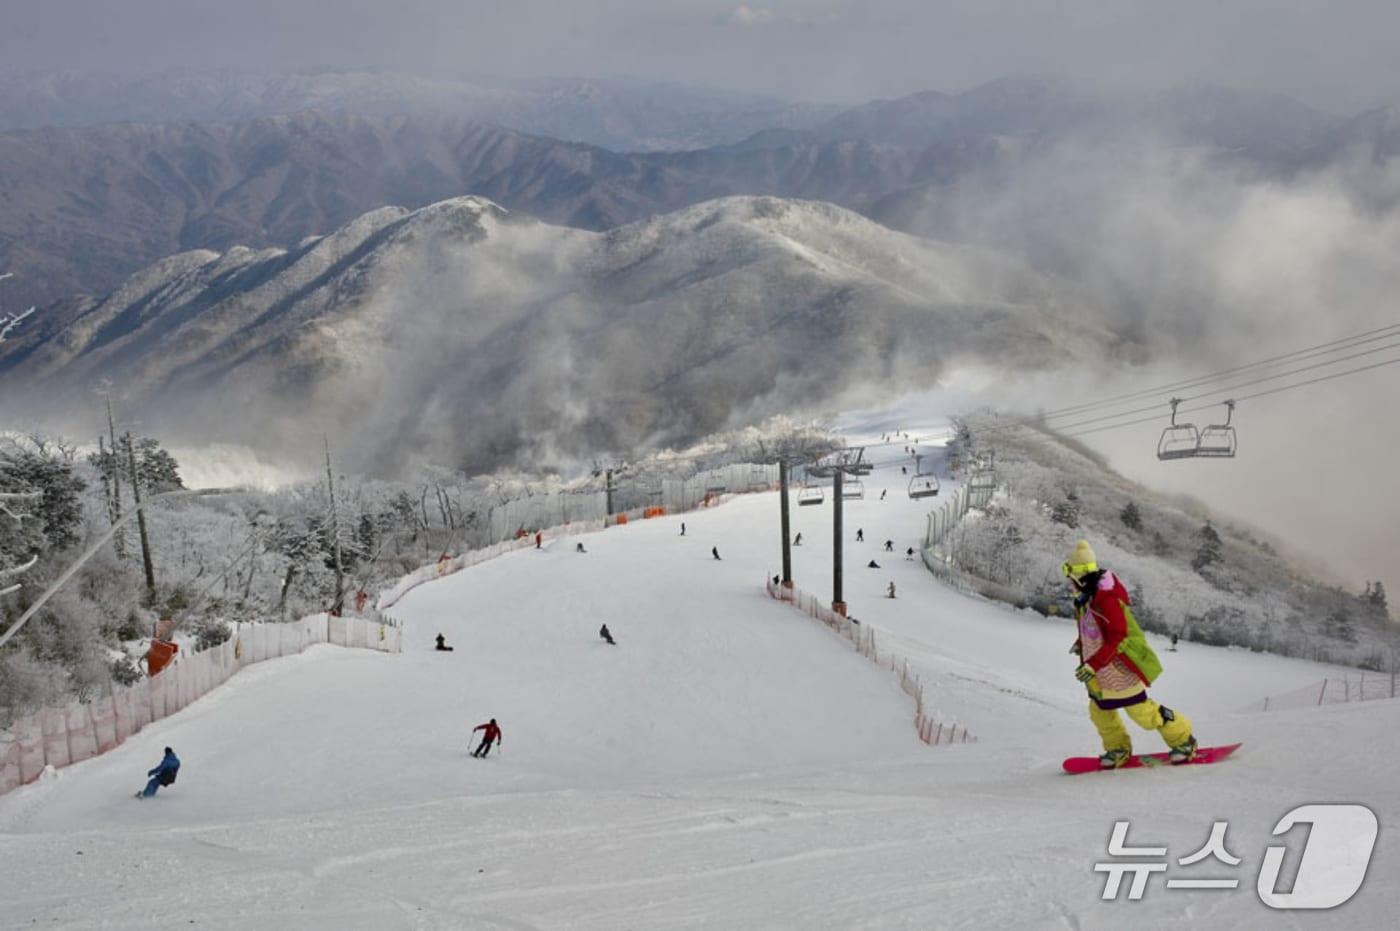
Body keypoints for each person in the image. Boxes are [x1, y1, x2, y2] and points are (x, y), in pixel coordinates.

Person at [1064, 540, 1197, 768]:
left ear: (1080, 574)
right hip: (1097, 668)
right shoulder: (1085, 598)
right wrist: (1082, 643)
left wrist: (1093, 664)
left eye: (1070, 574)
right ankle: (1118, 749)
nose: (1068, 581)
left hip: (1117, 665)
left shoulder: (1107, 599)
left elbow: (1118, 635)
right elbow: (1094, 628)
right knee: (1100, 711)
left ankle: (1184, 739)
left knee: (1142, 712)